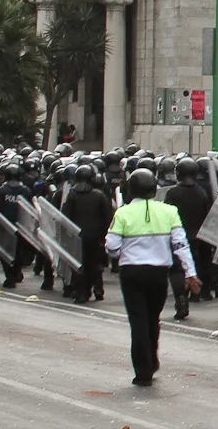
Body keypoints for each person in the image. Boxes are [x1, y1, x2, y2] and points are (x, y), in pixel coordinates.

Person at [105, 168, 200, 387]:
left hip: (131, 273)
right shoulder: (169, 212)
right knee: (152, 318)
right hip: (158, 273)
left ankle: (143, 369)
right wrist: (190, 272)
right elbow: (180, 245)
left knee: (137, 319)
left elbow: (112, 246)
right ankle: (152, 356)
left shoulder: (123, 213)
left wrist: (120, 252)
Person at [164, 159, 211, 321]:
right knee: (194, 264)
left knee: (177, 268)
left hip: (177, 235)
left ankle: (181, 297)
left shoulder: (172, 193)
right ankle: (195, 293)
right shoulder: (201, 192)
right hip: (196, 236)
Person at [62, 163, 114, 303]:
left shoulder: (72, 195)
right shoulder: (99, 196)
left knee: (78, 265)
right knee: (94, 264)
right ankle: (93, 289)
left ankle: (80, 292)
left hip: (76, 236)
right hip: (95, 236)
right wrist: (104, 235)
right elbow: (107, 217)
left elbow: (65, 215)